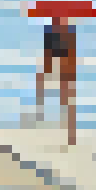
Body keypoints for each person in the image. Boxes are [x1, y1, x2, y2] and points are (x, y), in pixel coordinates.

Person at [36, 13, 80, 144]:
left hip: (63, 48)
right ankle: (41, 115)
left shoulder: (62, 32)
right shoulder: (54, 32)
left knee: (67, 95)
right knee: (64, 94)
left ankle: (70, 134)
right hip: (59, 46)